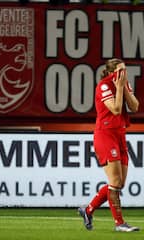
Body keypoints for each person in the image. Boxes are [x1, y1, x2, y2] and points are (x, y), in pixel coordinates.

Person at [78, 58, 140, 232]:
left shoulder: (124, 84)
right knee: (115, 181)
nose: (124, 74)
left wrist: (124, 87)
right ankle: (119, 224)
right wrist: (120, 87)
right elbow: (115, 109)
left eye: (125, 70)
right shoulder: (104, 86)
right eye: (121, 70)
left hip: (120, 134)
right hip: (105, 135)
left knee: (119, 184)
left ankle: (88, 210)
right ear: (112, 72)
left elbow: (134, 107)